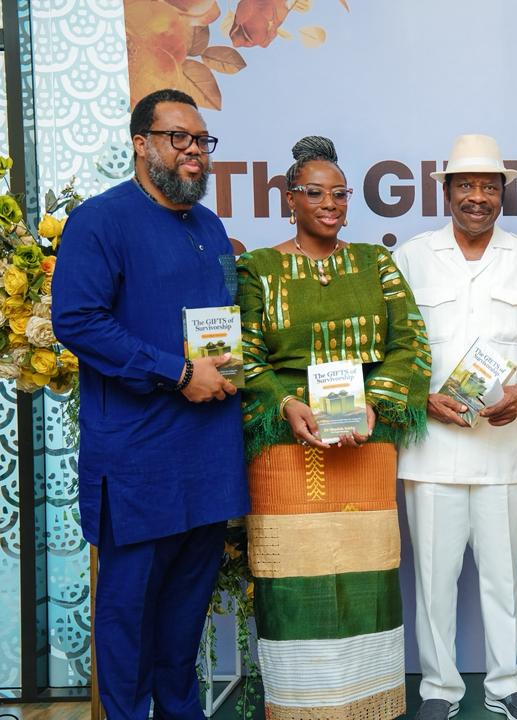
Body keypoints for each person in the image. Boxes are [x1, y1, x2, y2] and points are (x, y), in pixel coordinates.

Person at [52, 88, 248, 720]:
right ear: (141, 143)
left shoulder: (208, 225)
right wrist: (175, 372)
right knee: (129, 621)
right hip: (139, 461)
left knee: (185, 621)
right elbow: (76, 320)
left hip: (208, 457)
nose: (194, 153)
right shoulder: (101, 221)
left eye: (201, 142)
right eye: (178, 139)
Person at [236, 136, 430, 720]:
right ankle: (301, 706)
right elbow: (243, 353)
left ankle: (369, 705)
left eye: (340, 194)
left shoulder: (375, 262)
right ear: (289, 199)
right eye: (315, 193)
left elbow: (411, 345)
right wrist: (286, 404)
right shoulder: (257, 268)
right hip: (282, 447)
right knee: (293, 581)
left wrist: (374, 404)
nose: (331, 203)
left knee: (366, 578)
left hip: (364, 443)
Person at [393, 134, 517, 720]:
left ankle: (506, 685)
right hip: (431, 448)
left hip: (503, 446)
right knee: (434, 582)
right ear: (446, 190)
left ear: (502, 195)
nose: (478, 196)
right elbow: (394, 350)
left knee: (501, 578)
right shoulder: (412, 257)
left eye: (490, 187)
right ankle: (439, 691)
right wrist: (421, 395)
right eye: (467, 185)